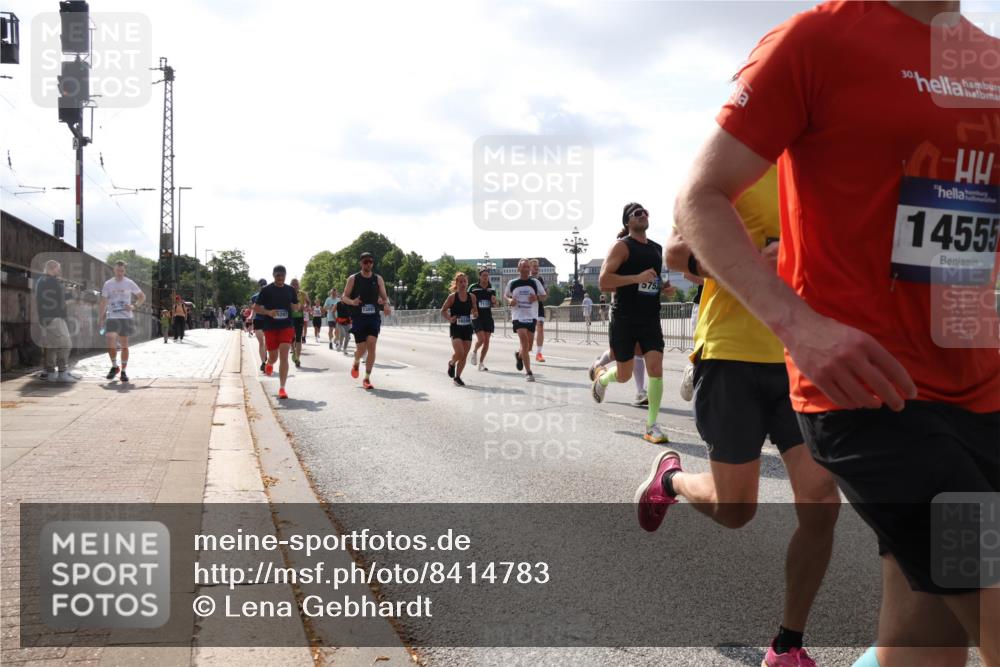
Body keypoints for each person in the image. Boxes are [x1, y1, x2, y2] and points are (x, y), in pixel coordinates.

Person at [671, 3, 999, 666]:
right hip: (871, 393)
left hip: (981, 391)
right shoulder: (818, 38)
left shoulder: (988, 58)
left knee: (925, 645)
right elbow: (698, 198)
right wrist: (800, 325)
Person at [637, 167, 841, 666]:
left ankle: (787, 646)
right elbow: (676, 254)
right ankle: (672, 479)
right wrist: (751, 264)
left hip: (799, 359)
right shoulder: (736, 163)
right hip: (730, 356)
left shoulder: (824, 166)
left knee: (821, 502)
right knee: (736, 510)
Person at [590, 204, 674, 444]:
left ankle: (652, 425)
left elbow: (652, 282)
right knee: (625, 375)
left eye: (646, 212)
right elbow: (604, 281)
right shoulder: (622, 246)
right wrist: (636, 278)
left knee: (656, 368)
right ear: (628, 221)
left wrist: (663, 287)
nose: (643, 214)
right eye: (638, 213)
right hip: (625, 318)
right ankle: (603, 378)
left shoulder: (657, 249)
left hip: (650, 318)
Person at [341, 252, 391, 390]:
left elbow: (385, 297)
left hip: (373, 317)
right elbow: (344, 297)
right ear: (361, 263)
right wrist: (352, 302)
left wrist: (386, 305)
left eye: (370, 262)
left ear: (372, 263)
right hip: (358, 318)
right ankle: (356, 362)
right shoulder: (353, 279)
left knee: (372, 346)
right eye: (365, 262)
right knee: (361, 349)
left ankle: (367, 378)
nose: (368, 264)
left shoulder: (378, 279)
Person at [252, 265, 299, 399]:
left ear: (285, 276)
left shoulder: (290, 290)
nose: (280, 278)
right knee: (274, 357)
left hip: (286, 326)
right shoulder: (266, 290)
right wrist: (268, 312)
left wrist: (297, 306)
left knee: (284, 356)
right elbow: (255, 307)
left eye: (282, 275)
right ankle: (269, 364)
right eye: (278, 275)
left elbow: (295, 306)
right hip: (270, 327)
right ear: (273, 275)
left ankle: (282, 388)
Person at [98, 260, 145, 382]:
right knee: (110, 340)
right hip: (112, 316)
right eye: (118, 270)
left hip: (125, 317)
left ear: (125, 271)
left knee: (124, 346)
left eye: (122, 271)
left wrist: (134, 306)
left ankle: (123, 371)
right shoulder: (108, 284)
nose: (120, 273)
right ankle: (114, 366)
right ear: (114, 270)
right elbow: (104, 301)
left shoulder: (129, 283)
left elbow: (142, 297)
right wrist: (100, 318)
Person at [504, 258, 545, 382]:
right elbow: (505, 295)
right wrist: (510, 300)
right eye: (524, 267)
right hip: (518, 316)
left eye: (528, 267)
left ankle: (519, 355)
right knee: (524, 341)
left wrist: (536, 297)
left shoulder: (535, 282)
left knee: (528, 347)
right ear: (518, 269)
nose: (526, 269)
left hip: (531, 316)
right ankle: (528, 372)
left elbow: (544, 296)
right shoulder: (512, 283)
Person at [35, 259, 75, 382]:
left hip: (45, 318)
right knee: (66, 344)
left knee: (51, 346)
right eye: (58, 268)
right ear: (52, 268)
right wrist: (71, 293)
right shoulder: (52, 281)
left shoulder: (41, 281)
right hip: (55, 318)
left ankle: (50, 373)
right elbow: (61, 298)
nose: (59, 270)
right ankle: (62, 372)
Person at [440, 271, 478, 386]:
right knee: (460, 352)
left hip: (467, 328)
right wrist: (450, 318)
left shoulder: (472, 297)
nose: (462, 283)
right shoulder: (452, 297)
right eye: (460, 281)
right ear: (456, 283)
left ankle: (457, 377)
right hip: (456, 327)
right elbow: (443, 311)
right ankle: (452, 363)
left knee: (464, 354)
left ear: (467, 283)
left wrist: (475, 314)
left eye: (464, 281)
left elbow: (475, 310)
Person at [470, 269, 498, 371]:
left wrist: (495, 302)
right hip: (477, 316)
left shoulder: (492, 289)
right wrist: (472, 310)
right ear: (480, 276)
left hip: (488, 317)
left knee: (486, 342)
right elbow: (467, 299)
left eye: (487, 275)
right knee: (481, 339)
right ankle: (474, 351)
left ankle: (481, 363)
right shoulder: (473, 288)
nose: (486, 277)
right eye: (484, 275)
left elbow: (496, 304)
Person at [528, 258, 546, 362]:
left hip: (539, 307)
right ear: (529, 267)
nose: (537, 268)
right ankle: (524, 351)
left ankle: (539, 353)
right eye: (534, 266)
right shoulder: (526, 279)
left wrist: (537, 297)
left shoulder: (540, 279)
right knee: (528, 332)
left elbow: (544, 295)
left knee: (540, 327)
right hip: (528, 309)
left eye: (537, 266)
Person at [249, 278, 268, 372]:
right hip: (258, 320)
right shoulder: (254, 297)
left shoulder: (271, 296)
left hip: (269, 320)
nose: (263, 286)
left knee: (267, 342)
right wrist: (251, 316)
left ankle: (265, 354)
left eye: (264, 284)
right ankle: (263, 363)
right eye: (261, 285)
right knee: (261, 342)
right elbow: (253, 308)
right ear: (259, 286)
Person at [289, 278, 308, 367]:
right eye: (293, 284)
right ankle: (292, 349)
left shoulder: (303, 294)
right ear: (290, 285)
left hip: (299, 317)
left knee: (298, 338)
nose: (295, 286)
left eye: (296, 284)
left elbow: (308, 302)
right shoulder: (287, 293)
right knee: (291, 337)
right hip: (289, 318)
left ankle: (297, 359)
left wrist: (305, 306)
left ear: (298, 285)